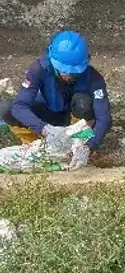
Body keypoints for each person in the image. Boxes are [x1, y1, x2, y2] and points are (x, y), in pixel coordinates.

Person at [0, 31, 112, 171]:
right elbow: (19, 106)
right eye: (64, 71)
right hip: (46, 117)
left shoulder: (94, 78)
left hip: (75, 123)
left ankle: (75, 145)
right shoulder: (38, 69)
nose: (69, 76)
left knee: (84, 102)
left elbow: (104, 118)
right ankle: (33, 143)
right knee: (6, 109)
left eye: (74, 72)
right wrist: (44, 129)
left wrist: (89, 146)